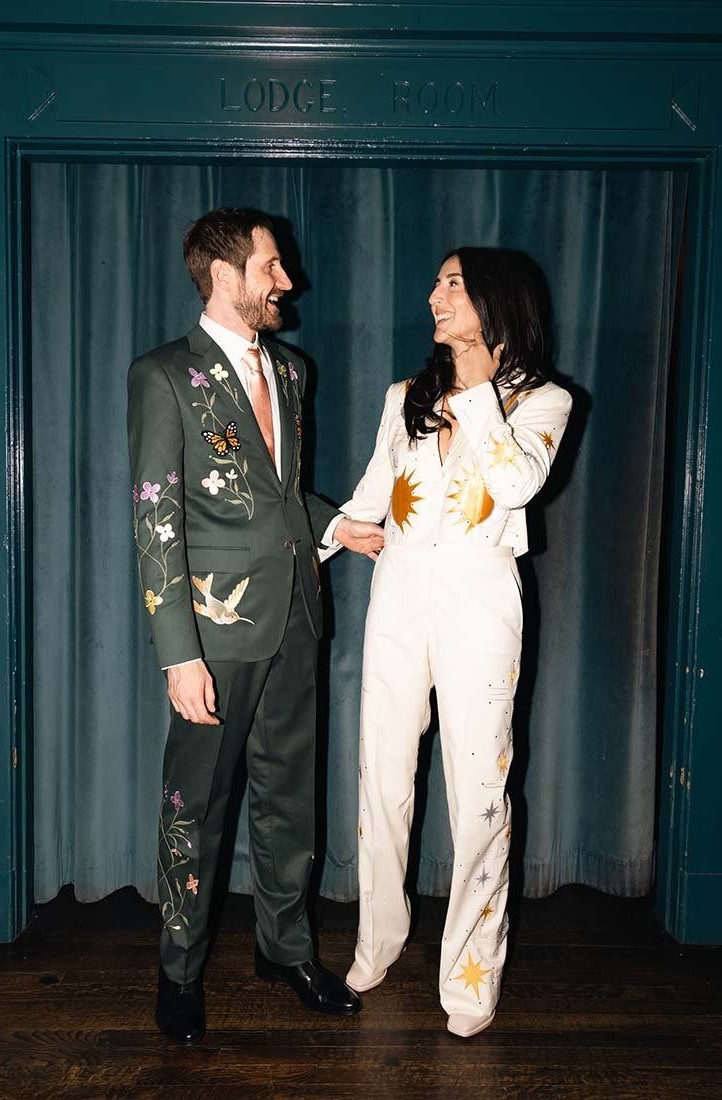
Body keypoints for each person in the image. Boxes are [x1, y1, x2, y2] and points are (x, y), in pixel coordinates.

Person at [127, 207, 383, 1045]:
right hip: (214, 631)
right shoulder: (165, 375)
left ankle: (286, 950)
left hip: (299, 618)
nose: (287, 282)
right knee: (194, 804)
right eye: (272, 267)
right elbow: (157, 516)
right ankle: (179, 970)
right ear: (225, 274)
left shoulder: (293, 371)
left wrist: (340, 526)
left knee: (288, 798)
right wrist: (178, 657)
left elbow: (278, 500)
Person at [336, 247, 572, 1037]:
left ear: (496, 302)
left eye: (453, 284)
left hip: (479, 602)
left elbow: (514, 485)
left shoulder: (544, 402)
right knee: (382, 781)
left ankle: (471, 978)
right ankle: (378, 939)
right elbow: (373, 495)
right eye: (436, 282)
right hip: (399, 596)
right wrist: (317, 535)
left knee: (478, 797)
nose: (434, 295)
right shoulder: (406, 397)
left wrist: (474, 392)